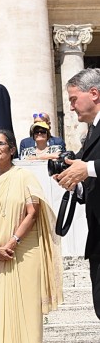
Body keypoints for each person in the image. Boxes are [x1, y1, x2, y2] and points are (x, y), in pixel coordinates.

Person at [0, 130, 62, 343]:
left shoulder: (24, 176)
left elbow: (33, 212)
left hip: (24, 247)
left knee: (28, 303)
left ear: (12, 149)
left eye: (1, 143)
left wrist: (13, 241)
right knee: (0, 302)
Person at [56, 68, 100, 321]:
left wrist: (88, 168)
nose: (71, 107)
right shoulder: (92, 130)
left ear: (93, 93)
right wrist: (75, 181)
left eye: (73, 99)